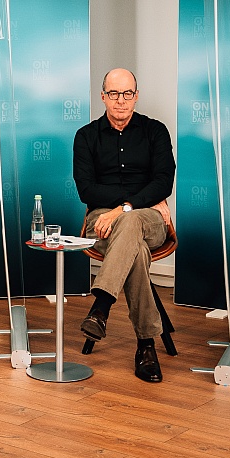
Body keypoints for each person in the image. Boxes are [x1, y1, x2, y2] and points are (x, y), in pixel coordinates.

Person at [73, 68, 175, 382]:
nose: (121, 100)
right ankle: (146, 346)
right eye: (114, 93)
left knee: (131, 222)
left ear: (136, 96)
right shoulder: (86, 136)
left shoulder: (155, 131)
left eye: (127, 93)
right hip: (102, 221)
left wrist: (125, 208)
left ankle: (101, 306)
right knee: (137, 253)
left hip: (148, 219)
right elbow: (86, 190)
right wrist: (136, 201)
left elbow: (164, 182)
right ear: (103, 96)